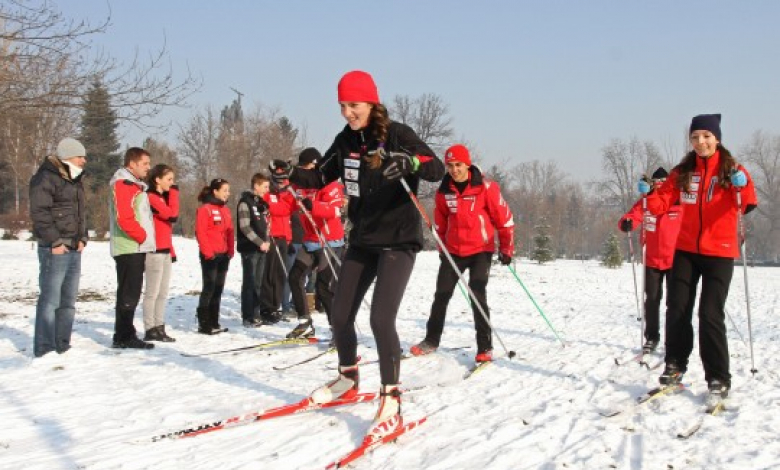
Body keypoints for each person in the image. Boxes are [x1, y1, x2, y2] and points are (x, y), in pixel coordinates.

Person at [308, 70, 444, 442]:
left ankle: (391, 398)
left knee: (381, 319)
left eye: (353, 105)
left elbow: (436, 168)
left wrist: (411, 162)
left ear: (370, 102)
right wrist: (293, 177)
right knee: (339, 313)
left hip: (399, 241)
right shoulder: (345, 140)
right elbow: (321, 175)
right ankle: (347, 379)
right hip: (364, 239)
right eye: (342, 106)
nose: (347, 113)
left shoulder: (397, 133)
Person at [644, 114, 758, 403]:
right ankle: (674, 366)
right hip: (686, 250)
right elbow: (663, 199)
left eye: (706, 136)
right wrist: (650, 196)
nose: (700, 142)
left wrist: (740, 185)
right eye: (695, 137)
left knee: (710, 314)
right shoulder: (683, 171)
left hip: (719, 251)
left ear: (717, 138)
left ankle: (718, 378)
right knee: (677, 308)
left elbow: (748, 201)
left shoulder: (731, 169)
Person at [410, 144, 514, 363]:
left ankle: (484, 347)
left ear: (467, 164)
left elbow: (504, 220)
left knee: (477, 293)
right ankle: (431, 340)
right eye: (450, 165)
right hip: (453, 251)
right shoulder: (444, 191)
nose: (454, 170)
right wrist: (441, 248)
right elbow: (440, 222)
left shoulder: (486, 188)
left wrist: (506, 248)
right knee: (441, 295)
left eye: (458, 165)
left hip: (480, 250)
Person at [29, 138, 88, 357]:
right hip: (55, 248)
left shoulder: (75, 180)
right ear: (67, 157)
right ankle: (45, 347)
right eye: (80, 156)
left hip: (74, 247)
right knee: (50, 299)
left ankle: (62, 344)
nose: (84, 160)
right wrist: (54, 241)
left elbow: (81, 213)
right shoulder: (45, 177)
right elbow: (40, 213)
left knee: (68, 300)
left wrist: (82, 237)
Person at [618, 167, 682, 354]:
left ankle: (674, 340)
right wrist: (626, 223)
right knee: (652, 300)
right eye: (657, 183)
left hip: (676, 260)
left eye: (664, 182)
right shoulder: (645, 202)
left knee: (675, 302)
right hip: (652, 259)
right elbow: (631, 216)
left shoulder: (677, 201)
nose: (660, 186)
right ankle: (651, 338)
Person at [287, 147, 345, 340]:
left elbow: (335, 211)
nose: (303, 172)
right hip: (311, 240)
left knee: (324, 289)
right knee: (295, 277)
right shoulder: (300, 185)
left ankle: (338, 330)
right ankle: (304, 322)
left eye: (307, 167)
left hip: (330, 241)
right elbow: (289, 203)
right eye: (301, 168)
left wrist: (315, 206)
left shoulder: (332, 184)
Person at [108, 147, 156, 349]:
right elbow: (125, 218)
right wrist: (142, 236)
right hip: (129, 247)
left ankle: (125, 333)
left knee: (132, 292)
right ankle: (123, 335)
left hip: (136, 246)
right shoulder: (124, 184)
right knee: (129, 293)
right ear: (132, 163)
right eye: (144, 163)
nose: (148, 167)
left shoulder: (136, 186)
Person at [142, 164, 179, 342]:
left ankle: (159, 325)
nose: (172, 184)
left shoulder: (163, 197)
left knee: (163, 292)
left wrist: (171, 250)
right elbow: (172, 215)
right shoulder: (151, 197)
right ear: (157, 179)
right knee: (152, 292)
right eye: (169, 180)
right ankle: (150, 328)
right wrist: (174, 194)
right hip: (154, 250)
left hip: (164, 249)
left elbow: (167, 226)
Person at [195, 178, 235, 334]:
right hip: (210, 255)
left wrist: (230, 250)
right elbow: (201, 232)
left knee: (218, 289)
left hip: (223, 254)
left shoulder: (225, 209)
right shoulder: (205, 209)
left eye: (228, 190)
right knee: (209, 288)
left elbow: (230, 231)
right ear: (215, 191)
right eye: (225, 190)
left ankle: (214, 321)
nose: (227, 193)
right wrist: (208, 252)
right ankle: (204, 323)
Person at [259, 160, 297, 323]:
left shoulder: (288, 191)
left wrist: (285, 196)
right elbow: (275, 209)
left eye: (284, 179)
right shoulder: (269, 193)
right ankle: (267, 308)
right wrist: (281, 205)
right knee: (270, 273)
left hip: (284, 237)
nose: (282, 183)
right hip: (271, 236)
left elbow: (291, 208)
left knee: (281, 274)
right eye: (278, 180)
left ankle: (276, 306)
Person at [236, 173, 271, 328]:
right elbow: (245, 227)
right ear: (256, 186)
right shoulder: (245, 203)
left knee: (258, 282)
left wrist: (267, 241)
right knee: (249, 282)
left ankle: (256, 313)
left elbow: (265, 226)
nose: (267, 190)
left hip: (262, 248)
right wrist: (259, 242)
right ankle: (247, 315)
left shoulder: (260, 204)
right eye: (265, 187)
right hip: (250, 249)